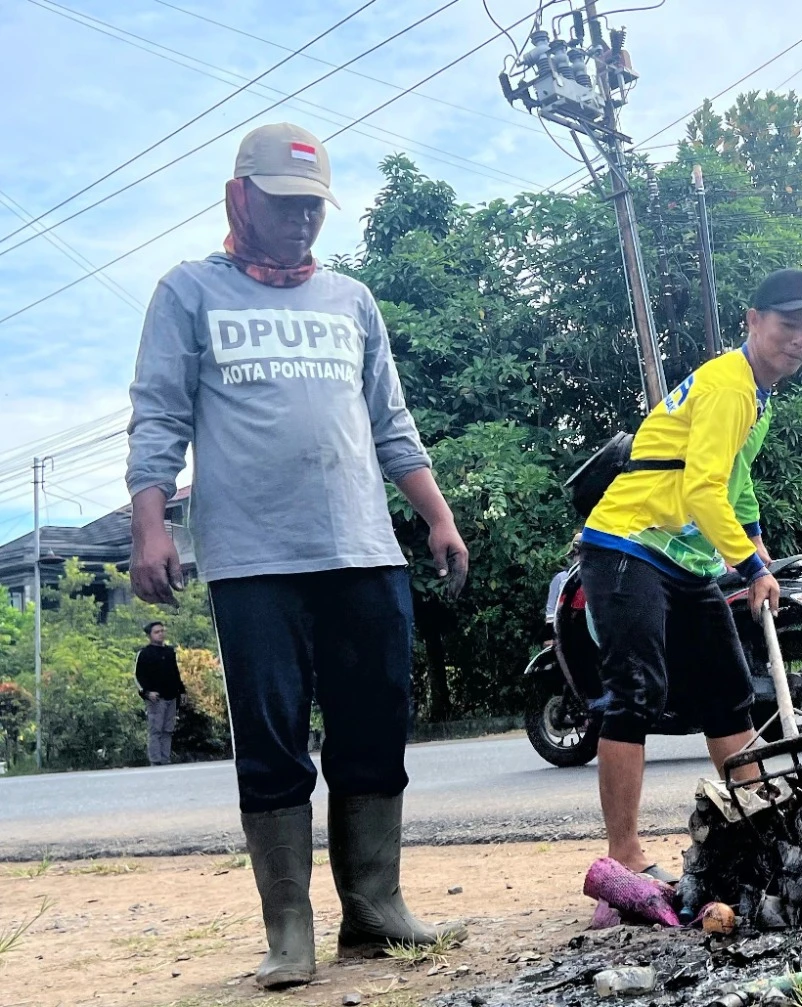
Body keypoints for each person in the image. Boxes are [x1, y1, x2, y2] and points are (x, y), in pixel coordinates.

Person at [125, 123, 470, 989]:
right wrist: (150, 525)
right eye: (284, 204)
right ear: (241, 198)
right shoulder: (190, 292)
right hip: (254, 561)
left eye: (313, 206)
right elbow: (159, 414)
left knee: (374, 723)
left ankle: (374, 906)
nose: (302, 220)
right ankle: (289, 930)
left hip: (362, 547)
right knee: (273, 738)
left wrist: (437, 515)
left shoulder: (352, 300)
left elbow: (391, 422)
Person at [579, 268, 802, 879]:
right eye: (788, 325)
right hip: (630, 543)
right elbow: (701, 488)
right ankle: (624, 857)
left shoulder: (757, 395)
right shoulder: (730, 388)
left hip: (684, 557)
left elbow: (733, 477)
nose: (799, 340)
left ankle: (760, 830)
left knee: (727, 691)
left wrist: (755, 542)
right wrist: (749, 567)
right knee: (636, 692)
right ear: (754, 321)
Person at [135, 620, 186, 765]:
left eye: (162, 631)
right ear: (149, 635)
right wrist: (146, 693)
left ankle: (165, 759)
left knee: (168, 730)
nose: (160, 634)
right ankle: (155, 760)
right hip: (156, 699)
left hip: (172, 696)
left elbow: (175, 672)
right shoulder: (144, 653)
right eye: (157, 632)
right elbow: (138, 676)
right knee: (156, 729)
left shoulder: (169, 652)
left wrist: (182, 691)